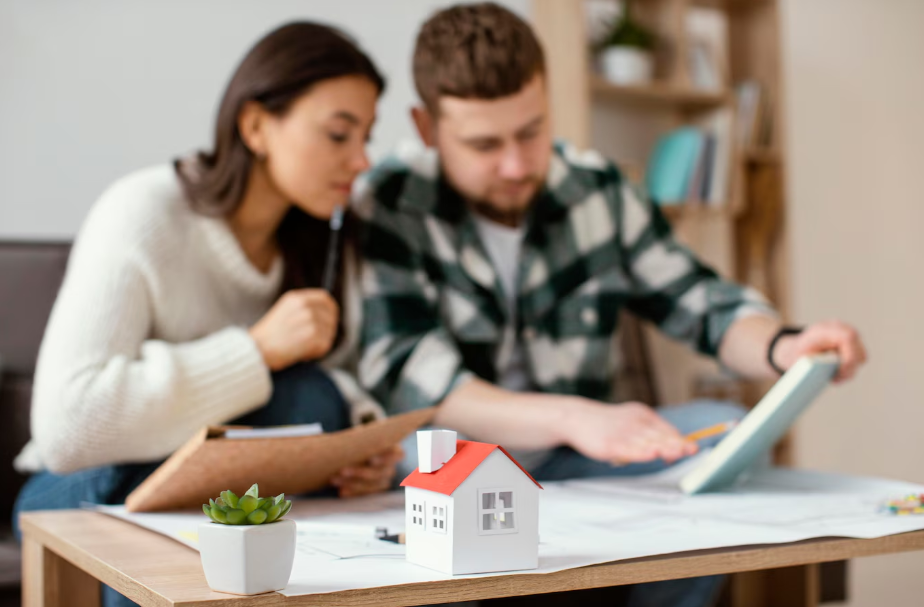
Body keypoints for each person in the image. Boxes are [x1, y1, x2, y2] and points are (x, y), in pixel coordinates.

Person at [356, 4, 867, 606]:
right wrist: (577, 417)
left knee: (722, 437)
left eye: (531, 131)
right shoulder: (389, 202)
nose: (517, 164)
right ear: (426, 128)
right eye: (485, 144)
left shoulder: (597, 188)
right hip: (457, 466)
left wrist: (785, 345)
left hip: (577, 460)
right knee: (407, 465)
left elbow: (697, 299)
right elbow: (421, 381)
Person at [13, 22, 403, 607]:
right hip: (82, 483)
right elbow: (66, 429)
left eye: (367, 136)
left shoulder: (324, 239)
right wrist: (256, 352)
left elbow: (331, 385)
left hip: (217, 497)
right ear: (254, 126)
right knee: (162, 547)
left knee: (313, 400)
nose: (361, 159)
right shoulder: (142, 213)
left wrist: (361, 443)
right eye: (338, 135)